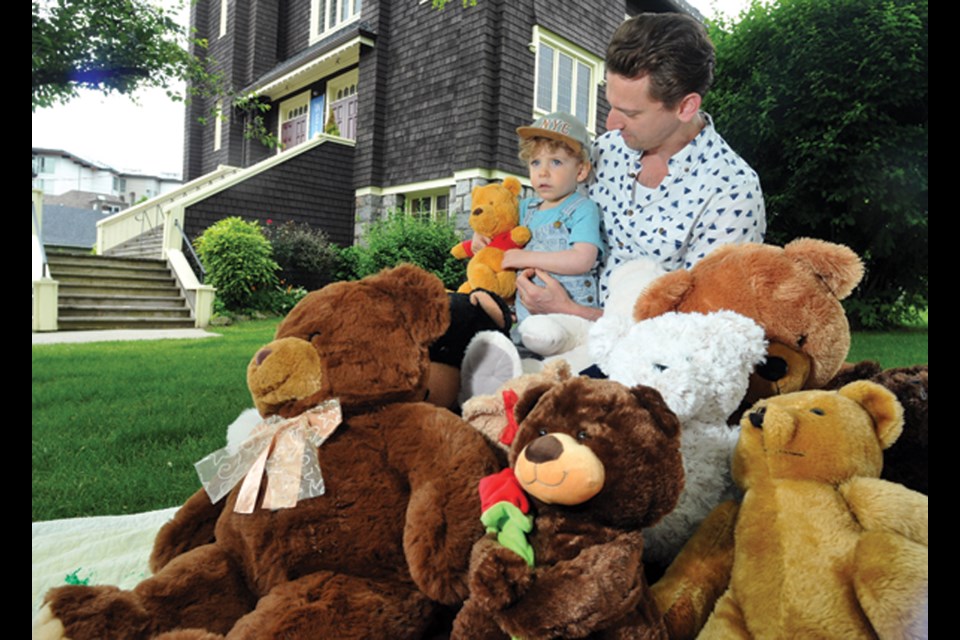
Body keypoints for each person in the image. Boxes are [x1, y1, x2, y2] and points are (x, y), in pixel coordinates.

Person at [509, 11, 767, 322]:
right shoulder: (606, 150)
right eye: (611, 104)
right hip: (539, 327)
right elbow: (550, 221)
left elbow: (702, 325)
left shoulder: (732, 192)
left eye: (630, 113)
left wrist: (571, 311)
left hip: (642, 361)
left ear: (686, 107)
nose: (610, 123)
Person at [502, 111, 605, 341]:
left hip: (571, 325)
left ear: (581, 170)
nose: (543, 172)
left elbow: (582, 259)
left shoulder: (582, 208)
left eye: (556, 162)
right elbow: (498, 231)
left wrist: (524, 257)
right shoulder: (525, 208)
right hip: (527, 321)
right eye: (535, 162)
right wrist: (481, 237)